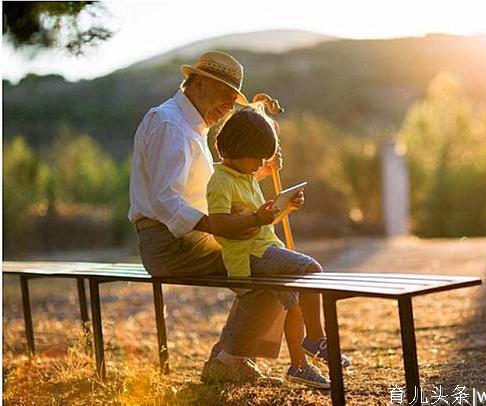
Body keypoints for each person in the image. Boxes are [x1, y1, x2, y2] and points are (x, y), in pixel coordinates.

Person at [128, 51, 292, 383]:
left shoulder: (190, 124)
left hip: (184, 238)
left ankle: (229, 359)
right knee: (271, 265)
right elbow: (165, 199)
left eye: (233, 102)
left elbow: (210, 188)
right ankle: (228, 361)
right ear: (200, 83)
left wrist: (255, 169)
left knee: (270, 261)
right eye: (226, 98)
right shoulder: (169, 123)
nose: (228, 109)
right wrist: (214, 225)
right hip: (169, 244)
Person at [206, 108, 351, 388]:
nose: (261, 163)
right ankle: (315, 339)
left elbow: (263, 222)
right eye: (257, 157)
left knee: (293, 304)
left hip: (263, 248)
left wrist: (285, 208)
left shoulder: (246, 177)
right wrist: (257, 218)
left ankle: (299, 366)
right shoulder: (221, 182)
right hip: (248, 256)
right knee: (310, 268)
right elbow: (219, 225)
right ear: (236, 149)